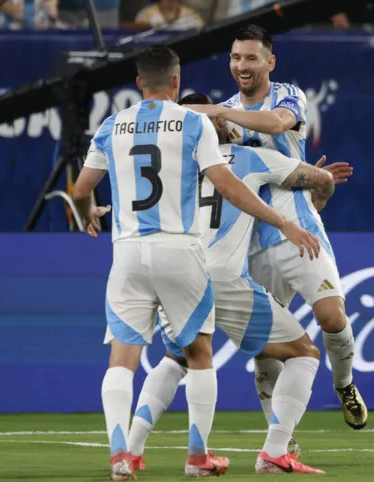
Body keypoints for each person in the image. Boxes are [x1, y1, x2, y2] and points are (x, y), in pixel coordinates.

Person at [71, 45, 320, 480]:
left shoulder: (113, 124)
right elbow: (227, 185)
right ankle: (199, 456)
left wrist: (91, 209)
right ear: (175, 82)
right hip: (181, 253)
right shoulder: (194, 124)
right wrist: (282, 221)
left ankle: (121, 455)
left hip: (127, 253)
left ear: (137, 83)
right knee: (199, 355)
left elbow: (80, 189)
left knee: (123, 360)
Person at [123, 92, 350, 476]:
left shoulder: (167, 170)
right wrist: (317, 197)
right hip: (222, 278)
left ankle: (131, 451)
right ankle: (275, 451)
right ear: (214, 126)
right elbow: (321, 177)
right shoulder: (243, 157)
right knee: (303, 353)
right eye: (220, 120)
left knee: (176, 358)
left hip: (170, 272)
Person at [184, 23, 368, 435]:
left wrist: (216, 112)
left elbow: (277, 123)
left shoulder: (286, 96)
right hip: (250, 241)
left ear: (270, 61)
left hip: (297, 228)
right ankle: (279, 441)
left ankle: (344, 385)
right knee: (269, 352)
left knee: (332, 317)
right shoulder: (222, 115)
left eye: (251, 58)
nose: (242, 66)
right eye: (235, 58)